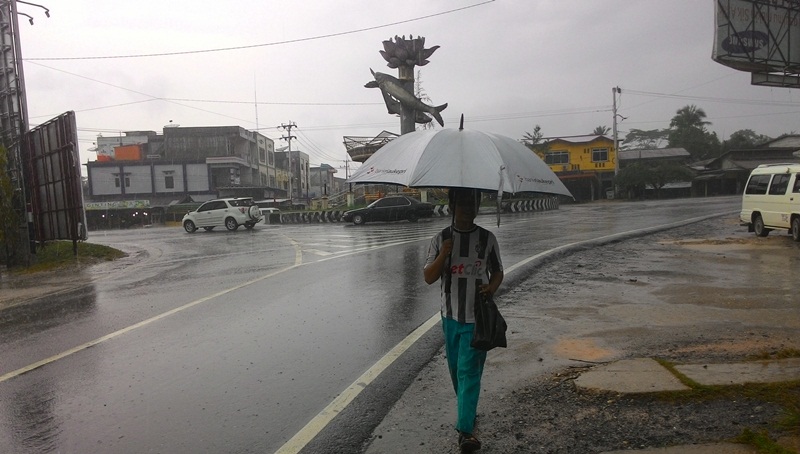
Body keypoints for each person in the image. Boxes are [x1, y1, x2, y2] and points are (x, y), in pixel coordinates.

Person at [423, 188, 504, 453]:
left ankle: (465, 431)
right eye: (464, 202)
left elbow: (498, 272)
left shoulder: (487, 239)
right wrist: (444, 254)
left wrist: (491, 288)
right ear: (452, 205)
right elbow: (428, 277)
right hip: (449, 318)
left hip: (476, 319)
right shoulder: (441, 239)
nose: (469, 208)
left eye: (474, 202)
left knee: (469, 372)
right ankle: (467, 411)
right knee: (457, 372)